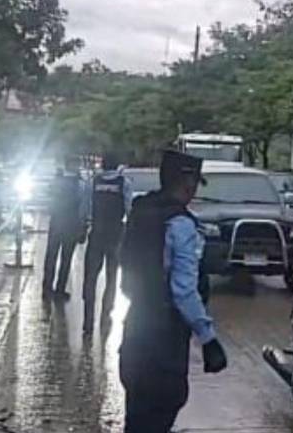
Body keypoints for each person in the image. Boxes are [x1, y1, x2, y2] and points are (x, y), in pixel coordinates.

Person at [119, 150, 227, 433]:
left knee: (136, 418)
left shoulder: (140, 211)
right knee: (161, 411)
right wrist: (208, 339)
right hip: (164, 343)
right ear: (187, 183)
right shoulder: (181, 224)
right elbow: (184, 290)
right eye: (192, 184)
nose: (193, 191)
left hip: (135, 330)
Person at [82, 152, 133, 334]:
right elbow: (129, 209)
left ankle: (88, 319)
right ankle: (105, 315)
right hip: (115, 235)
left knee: (90, 278)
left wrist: (84, 225)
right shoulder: (124, 184)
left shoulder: (93, 182)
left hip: (97, 233)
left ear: (102, 165)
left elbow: (86, 207)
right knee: (111, 278)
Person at [43, 155, 88, 300]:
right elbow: (83, 207)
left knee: (51, 256)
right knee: (66, 258)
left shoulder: (57, 181)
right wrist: (83, 226)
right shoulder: (80, 184)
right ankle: (60, 290)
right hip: (71, 224)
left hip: (56, 223)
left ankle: (46, 288)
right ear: (76, 166)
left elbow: (49, 198)